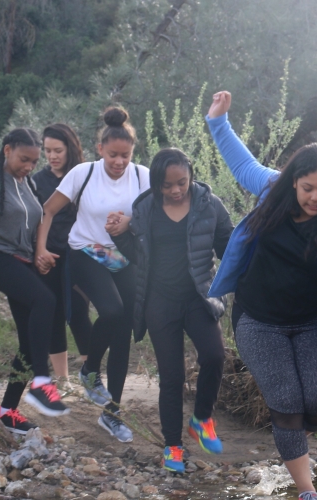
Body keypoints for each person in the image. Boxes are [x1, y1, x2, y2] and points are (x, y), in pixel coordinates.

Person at [205, 91, 317, 500]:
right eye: (307, 188)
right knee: (287, 401)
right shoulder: (273, 190)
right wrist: (218, 121)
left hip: (312, 322)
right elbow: (241, 163)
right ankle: (307, 491)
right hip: (258, 319)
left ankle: (292, 430)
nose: (314, 197)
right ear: (293, 181)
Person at [108, 148, 233, 472]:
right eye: (167, 185)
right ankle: (172, 446)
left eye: (182, 182)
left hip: (198, 297)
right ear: (156, 184)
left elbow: (228, 247)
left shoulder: (209, 204)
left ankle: (202, 420)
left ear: (191, 175)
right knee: (172, 376)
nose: (176, 190)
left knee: (214, 356)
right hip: (159, 301)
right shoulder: (145, 209)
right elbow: (138, 256)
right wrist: (118, 236)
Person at [36, 106, 149, 443]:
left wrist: (128, 224)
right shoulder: (83, 173)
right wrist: (41, 249)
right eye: (113, 155)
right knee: (112, 311)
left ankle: (112, 414)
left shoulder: (143, 176)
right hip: (85, 252)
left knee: (124, 332)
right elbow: (48, 210)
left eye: (125, 155)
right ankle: (89, 370)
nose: (119, 162)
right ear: (100, 150)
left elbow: (153, 217)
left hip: (124, 256)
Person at [0, 128, 69, 434]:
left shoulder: (26, 182)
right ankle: (41, 381)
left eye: (33, 161)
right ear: (7, 151)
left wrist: (39, 253)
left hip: (23, 261)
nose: (29, 166)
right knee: (46, 300)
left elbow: (36, 220)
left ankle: (7, 411)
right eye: (23, 159)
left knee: (30, 342)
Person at [31, 123, 92, 394]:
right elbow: (36, 218)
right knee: (53, 313)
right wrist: (38, 251)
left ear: (71, 148)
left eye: (58, 150)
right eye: (47, 151)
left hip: (79, 253)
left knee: (78, 312)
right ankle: (63, 380)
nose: (52, 156)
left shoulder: (85, 175)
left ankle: (91, 376)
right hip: (49, 255)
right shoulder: (38, 180)